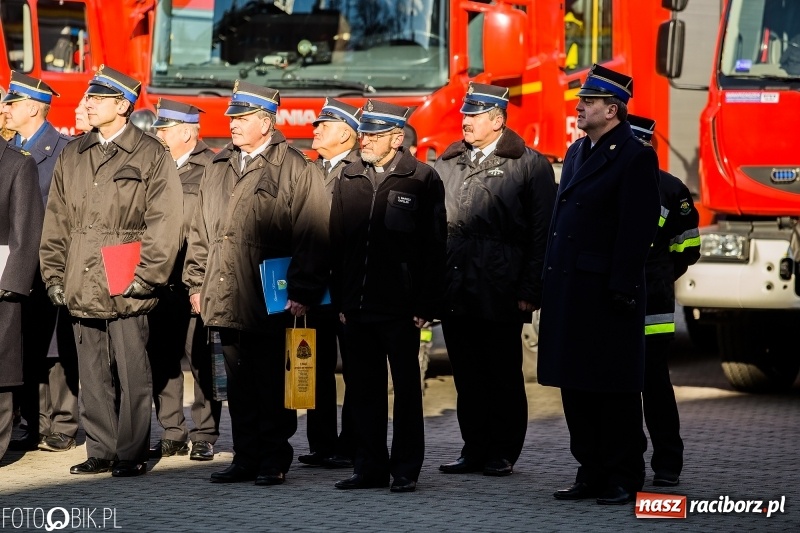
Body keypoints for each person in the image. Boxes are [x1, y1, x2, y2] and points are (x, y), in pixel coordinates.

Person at [39, 65, 183, 477]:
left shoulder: (152, 154)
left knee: (133, 370)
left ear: (122, 105)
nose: (86, 105)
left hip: (127, 279)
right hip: (81, 279)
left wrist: (148, 276)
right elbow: (58, 221)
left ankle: (131, 451)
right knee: (93, 372)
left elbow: (165, 221)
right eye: (88, 98)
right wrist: (53, 274)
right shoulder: (74, 153)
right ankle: (100, 449)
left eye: (96, 99)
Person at [183, 80, 330, 487]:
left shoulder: (296, 167)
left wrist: (303, 290)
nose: (232, 124)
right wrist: (196, 283)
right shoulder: (218, 166)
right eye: (232, 117)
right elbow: (200, 231)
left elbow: (313, 234)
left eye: (241, 118)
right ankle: (245, 456)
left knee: (270, 381)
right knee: (239, 383)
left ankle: (273, 457)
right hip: (225, 291)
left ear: (266, 123)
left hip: (271, 295)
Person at [537, 64, 661, 505]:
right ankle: (589, 470)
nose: (579, 106)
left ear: (613, 109)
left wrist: (622, 287)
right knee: (577, 388)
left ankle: (624, 475)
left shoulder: (634, 155)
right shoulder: (576, 152)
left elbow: (637, 228)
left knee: (612, 390)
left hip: (606, 294)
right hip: (570, 290)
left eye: (587, 102)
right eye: (580, 100)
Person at [435, 82, 557, 478]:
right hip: (456, 285)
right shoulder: (449, 162)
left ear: (498, 120)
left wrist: (530, 288)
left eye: (474, 116)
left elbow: (542, 233)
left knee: (501, 373)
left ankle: (502, 451)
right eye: (465, 115)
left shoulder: (529, 164)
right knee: (467, 375)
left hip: (501, 287)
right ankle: (474, 447)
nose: (465, 122)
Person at [329, 99, 447, 493]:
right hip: (357, 308)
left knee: (407, 391)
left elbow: (434, 247)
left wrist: (426, 305)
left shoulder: (422, 178)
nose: (365, 141)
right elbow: (338, 243)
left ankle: (405, 469)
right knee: (363, 391)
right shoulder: (349, 176)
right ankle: (369, 467)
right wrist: (342, 301)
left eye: (375, 135)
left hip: (401, 309)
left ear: (397, 138)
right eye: (365, 133)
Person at [2, 72, 78, 454]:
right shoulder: (9, 149)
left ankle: (61, 423)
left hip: (50, 262)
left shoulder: (62, 150)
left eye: (12, 104)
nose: (6, 109)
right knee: (22, 345)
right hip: (16, 263)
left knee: (54, 346)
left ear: (32, 107)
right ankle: (30, 420)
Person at [628, 114, 700, 487]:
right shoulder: (617, 184)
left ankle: (667, 463)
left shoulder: (671, 189)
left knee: (652, 387)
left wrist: (657, 274)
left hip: (652, 308)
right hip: (625, 303)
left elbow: (688, 248)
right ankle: (641, 464)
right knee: (635, 391)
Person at [147, 99, 221, 462]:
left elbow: (211, 228)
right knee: (162, 358)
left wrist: (202, 281)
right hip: (159, 279)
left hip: (195, 280)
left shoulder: (211, 166)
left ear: (188, 132)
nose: (157, 134)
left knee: (202, 360)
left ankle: (205, 433)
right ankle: (172, 432)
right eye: (158, 128)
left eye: (165, 129)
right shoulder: (154, 165)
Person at [298, 98, 361, 470]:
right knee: (314, 368)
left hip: (346, 288)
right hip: (313, 289)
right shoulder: (311, 170)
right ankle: (321, 444)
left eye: (325, 124)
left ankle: (351, 444)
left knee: (355, 370)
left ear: (347, 134)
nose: (315, 129)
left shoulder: (358, 170)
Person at [0, 140, 44, 462]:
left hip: (0, 285)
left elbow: (26, 230)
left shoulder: (17, 163)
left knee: (1, 371)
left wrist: (10, 285)